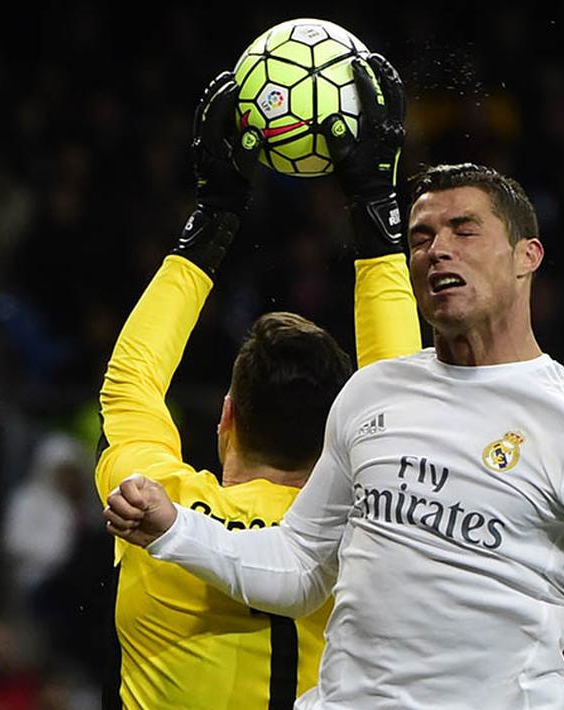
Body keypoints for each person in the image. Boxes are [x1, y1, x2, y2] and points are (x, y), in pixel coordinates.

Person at [104, 156, 564, 706]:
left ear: (527, 257)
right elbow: (300, 567)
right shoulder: (374, 392)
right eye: (423, 236)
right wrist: (175, 529)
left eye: (465, 230)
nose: (439, 250)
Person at [94, 56, 421, 709]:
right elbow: (400, 400)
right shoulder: (367, 524)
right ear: (337, 435)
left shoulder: (155, 502)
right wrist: (376, 208)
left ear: (225, 418)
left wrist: (214, 214)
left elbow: (131, 384)